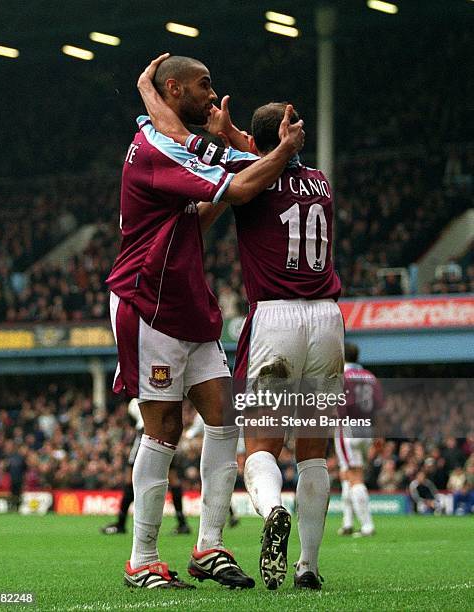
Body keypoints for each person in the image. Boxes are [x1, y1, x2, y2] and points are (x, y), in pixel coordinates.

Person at [137, 61, 343, 591]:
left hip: (276, 316)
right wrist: (241, 136)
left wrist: (221, 135)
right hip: (328, 320)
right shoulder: (319, 182)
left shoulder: (259, 177)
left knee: (258, 449)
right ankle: (309, 568)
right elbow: (262, 153)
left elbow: (228, 162)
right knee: (314, 453)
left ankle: (270, 509)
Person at [107, 54, 304, 590]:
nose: (212, 96)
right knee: (163, 428)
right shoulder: (156, 149)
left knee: (224, 418)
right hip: (149, 301)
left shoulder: (167, 140)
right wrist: (284, 151)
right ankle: (142, 558)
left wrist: (239, 154)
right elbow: (239, 190)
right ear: (175, 89)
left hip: (188, 300)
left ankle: (209, 547)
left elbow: (203, 210)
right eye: (204, 86)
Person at [101, 399, 190, 536]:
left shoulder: (135, 401)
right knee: (172, 477)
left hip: (146, 433)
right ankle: (182, 523)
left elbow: (135, 418)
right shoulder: (162, 393)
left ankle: (121, 523)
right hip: (167, 433)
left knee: (130, 478)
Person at [334, 343, 383, 537]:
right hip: (367, 429)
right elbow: (379, 408)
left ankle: (367, 525)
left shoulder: (341, 377)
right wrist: (380, 435)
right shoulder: (370, 377)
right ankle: (347, 522)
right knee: (347, 473)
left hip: (347, 429)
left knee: (354, 476)